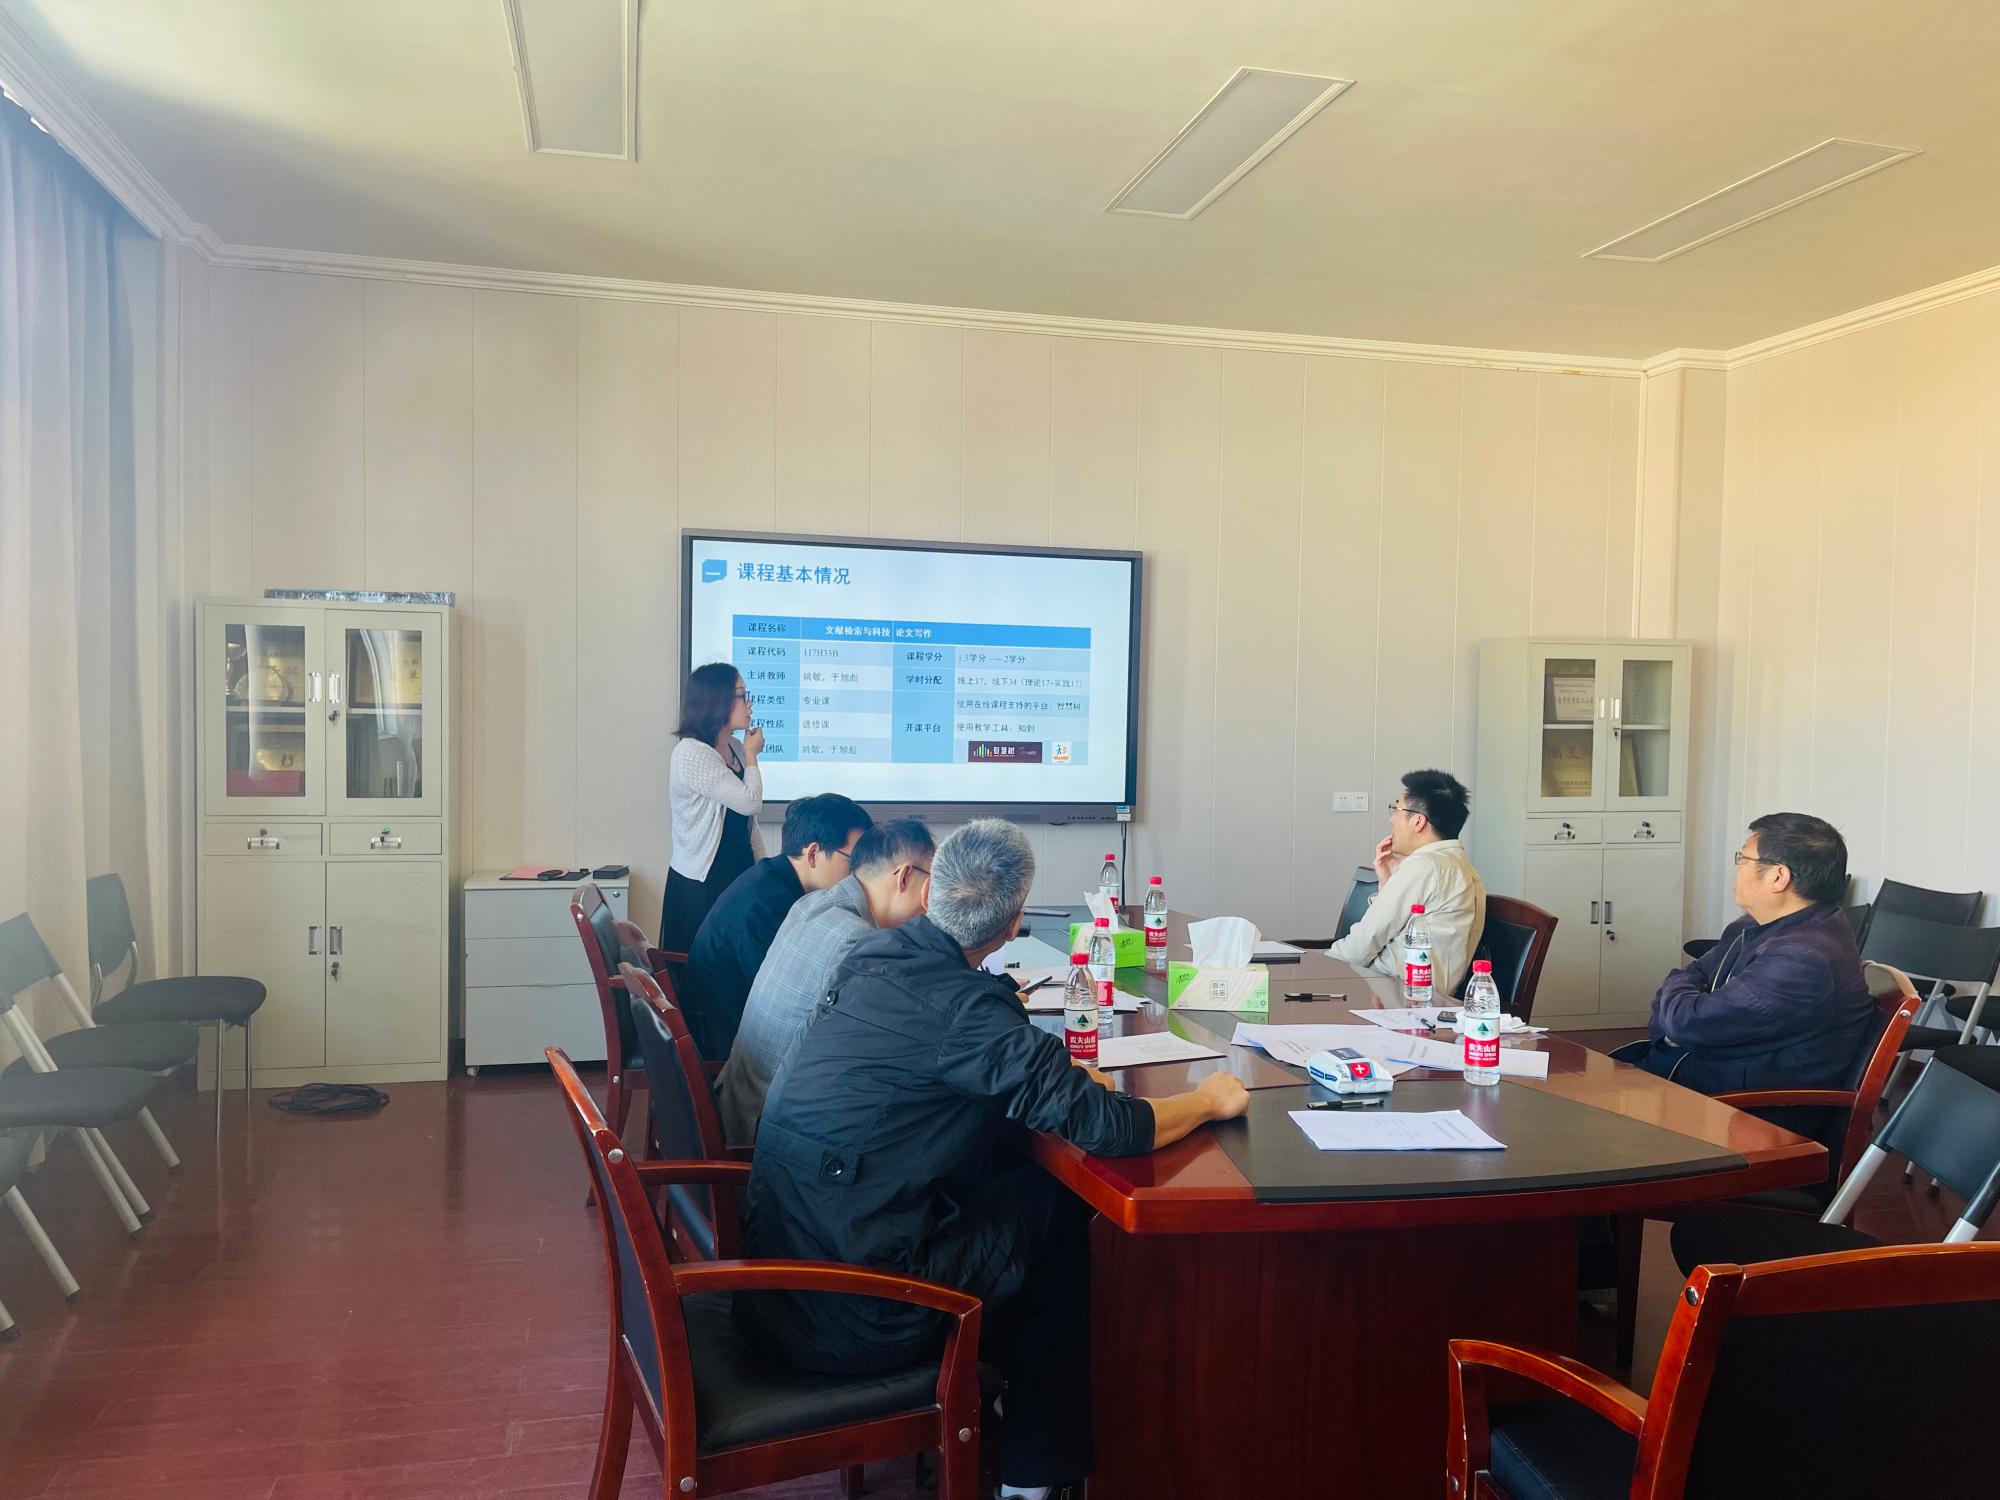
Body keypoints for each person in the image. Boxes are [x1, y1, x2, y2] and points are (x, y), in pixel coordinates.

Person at [739, 819, 1249, 1500]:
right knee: (1061, 1202)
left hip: (778, 1278)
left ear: (928, 896)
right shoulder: (968, 1012)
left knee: (1013, 1182)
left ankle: (1018, 1413)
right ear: (1012, 926)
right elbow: (1108, 1126)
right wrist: (1210, 1101)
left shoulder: (874, 956)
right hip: (858, 1312)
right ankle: (1036, 1475)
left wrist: (1053, 1077)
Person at [1620, 813, 1875, 1095]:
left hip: (1738, 1106)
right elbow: (1689, 978)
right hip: (1696, 1076)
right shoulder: (1755, 925)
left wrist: (1676, 1025)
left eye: (1742, 858)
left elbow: (1688, 1022)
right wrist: (1674, 1023)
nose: (1737, 868)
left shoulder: (1802, 959)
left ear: (1778, 876)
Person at [715, 817, 935, 1141]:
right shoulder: (858, 940)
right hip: (767, 1127)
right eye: (932, 883)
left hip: (737, 1099)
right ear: (903, 877)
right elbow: (892, 1044)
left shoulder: (812, 903)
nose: (932, 903)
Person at [678, 793, 872, 1059]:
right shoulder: (767, 903)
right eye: (854, 861)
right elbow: (786, 997)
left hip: (726, 1021)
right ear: (813, 854)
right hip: (725, 1041)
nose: (858, 875)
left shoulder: (772, 878)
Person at [1327, 768, 1487, 995]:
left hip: (1393, 993)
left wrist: (1317, 968)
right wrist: (1388, 884)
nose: (1391, 818)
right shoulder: (1459, 867)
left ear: (1418, 821)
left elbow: (1365, 942)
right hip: (1403, 992)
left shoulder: (1425, 866)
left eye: (1396, 809)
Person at [661, 662, 764, 953]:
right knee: (705, 965)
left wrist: (763, 867)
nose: (749, 704)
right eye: (742, 695)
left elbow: (747, 825)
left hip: (738, 873)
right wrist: (752, 754)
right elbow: (750, 802)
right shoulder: (691, 753)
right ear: (717, 700)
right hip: (703, 882)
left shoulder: (734, 747)